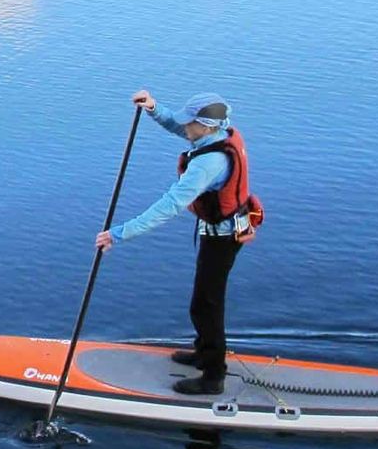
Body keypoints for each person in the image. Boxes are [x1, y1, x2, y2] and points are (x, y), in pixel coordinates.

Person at [95, 90, 260, 397]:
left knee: (208, 305)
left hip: (223, 238)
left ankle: (213, 376)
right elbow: (178, 127)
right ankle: (202, 352)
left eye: (190, 122)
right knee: (201, 302)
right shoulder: (217, 135)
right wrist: (154, 109)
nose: (185, 126)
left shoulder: (208, 165)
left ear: (207, 127)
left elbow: (169, 206)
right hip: (217, 231)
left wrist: (119, 233)